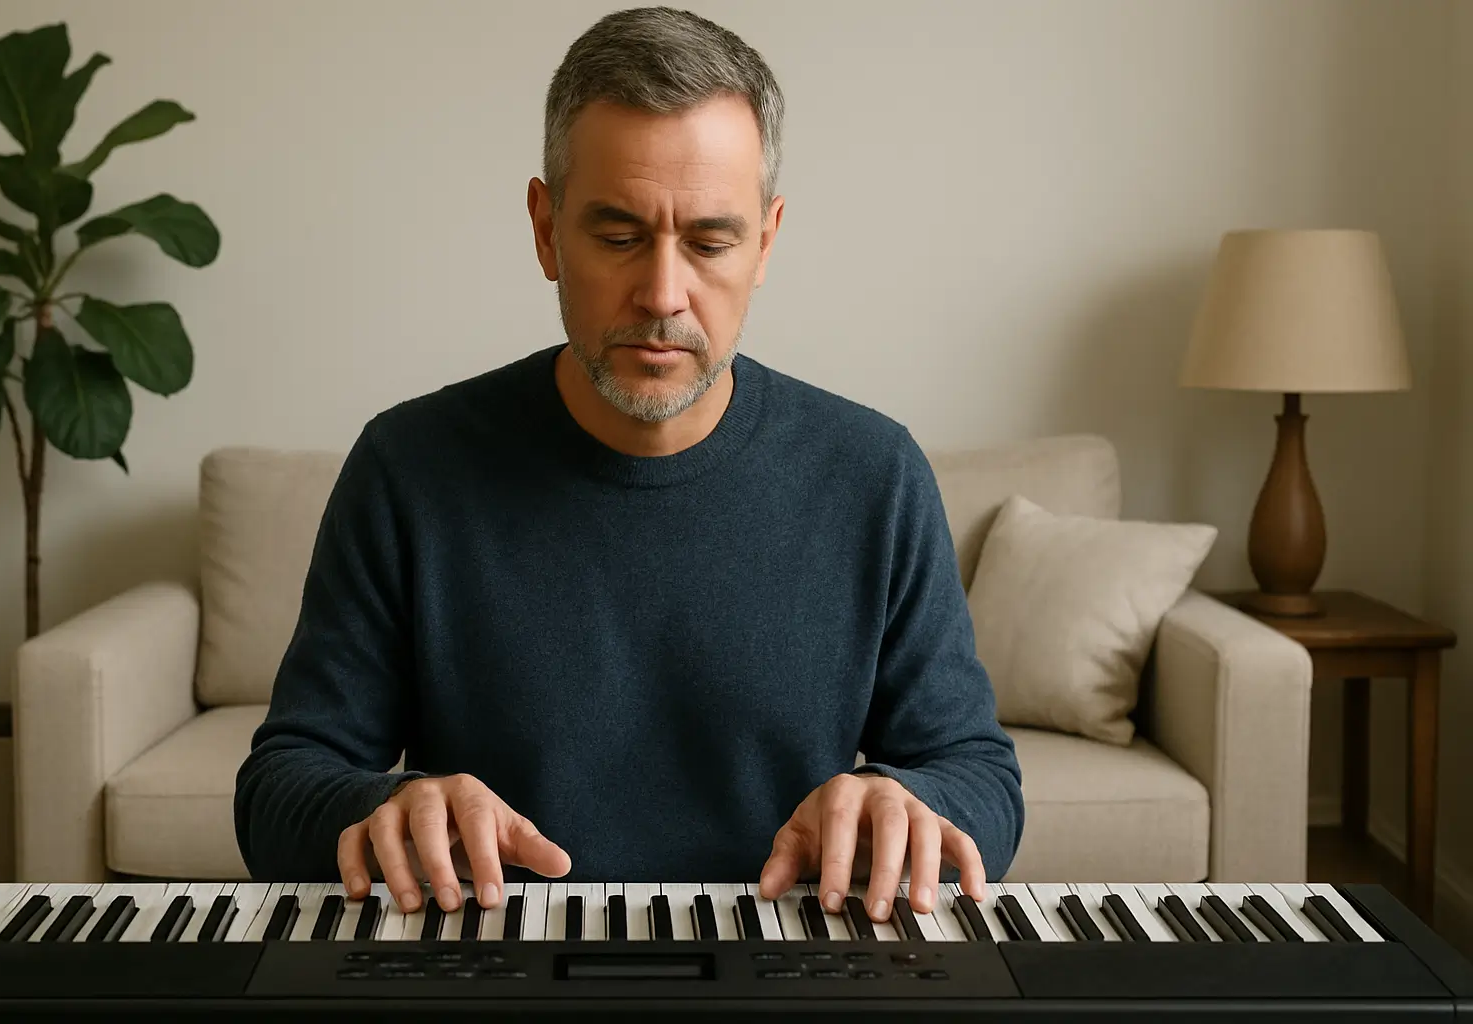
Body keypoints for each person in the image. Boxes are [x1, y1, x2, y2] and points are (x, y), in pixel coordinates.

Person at [233, 5, 1023, 929]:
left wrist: (910, 802)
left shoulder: (874, 473)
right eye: (616, 236)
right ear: (544, 229)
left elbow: (981, 776)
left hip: (792, 967)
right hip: (490, 964)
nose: (661, 295)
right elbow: (278, 790)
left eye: (710, 241)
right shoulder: (407, 467)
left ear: (765, 241)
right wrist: (381, 808)